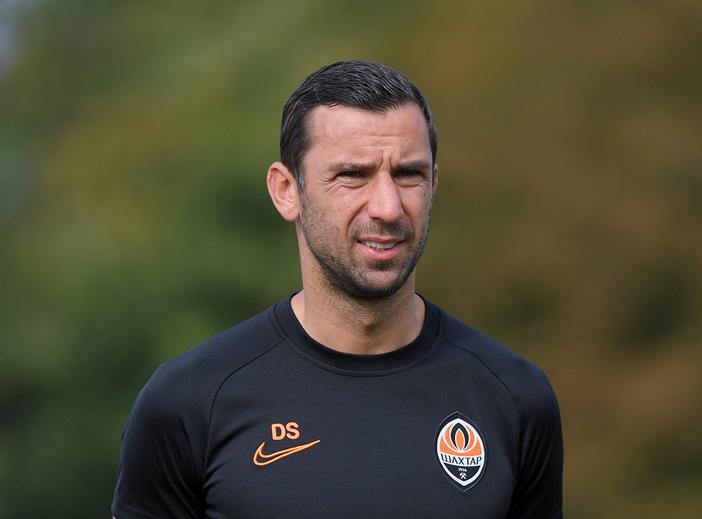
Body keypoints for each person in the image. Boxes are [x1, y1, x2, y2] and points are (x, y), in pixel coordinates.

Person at [112, 60, 563, 518]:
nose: (388, 207)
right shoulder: (190, 401)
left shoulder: (514, 397)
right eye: (353, 175)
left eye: (408, 174)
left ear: (434, 184)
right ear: (286, 190)